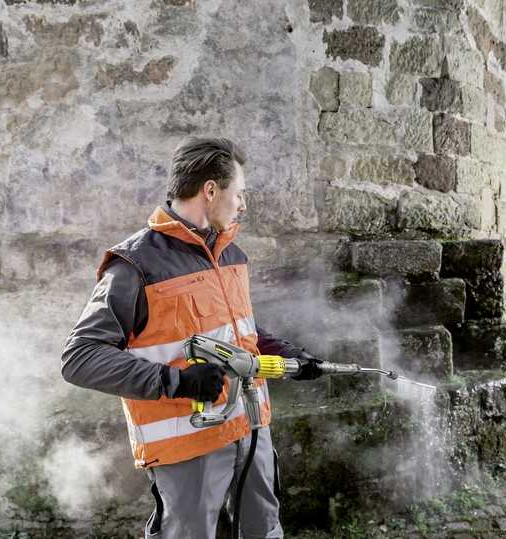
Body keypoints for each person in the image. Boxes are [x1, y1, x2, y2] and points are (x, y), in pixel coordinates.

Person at [61, 137, 323, 538]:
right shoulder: (136, 264)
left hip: (250, 430)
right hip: (188, 447)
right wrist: (177, 381)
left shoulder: (231, 254)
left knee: (264, 531)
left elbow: (239, 332)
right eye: (240, 194)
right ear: (211, 190)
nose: (243, 205)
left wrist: (285, 352)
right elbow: (80, 357)